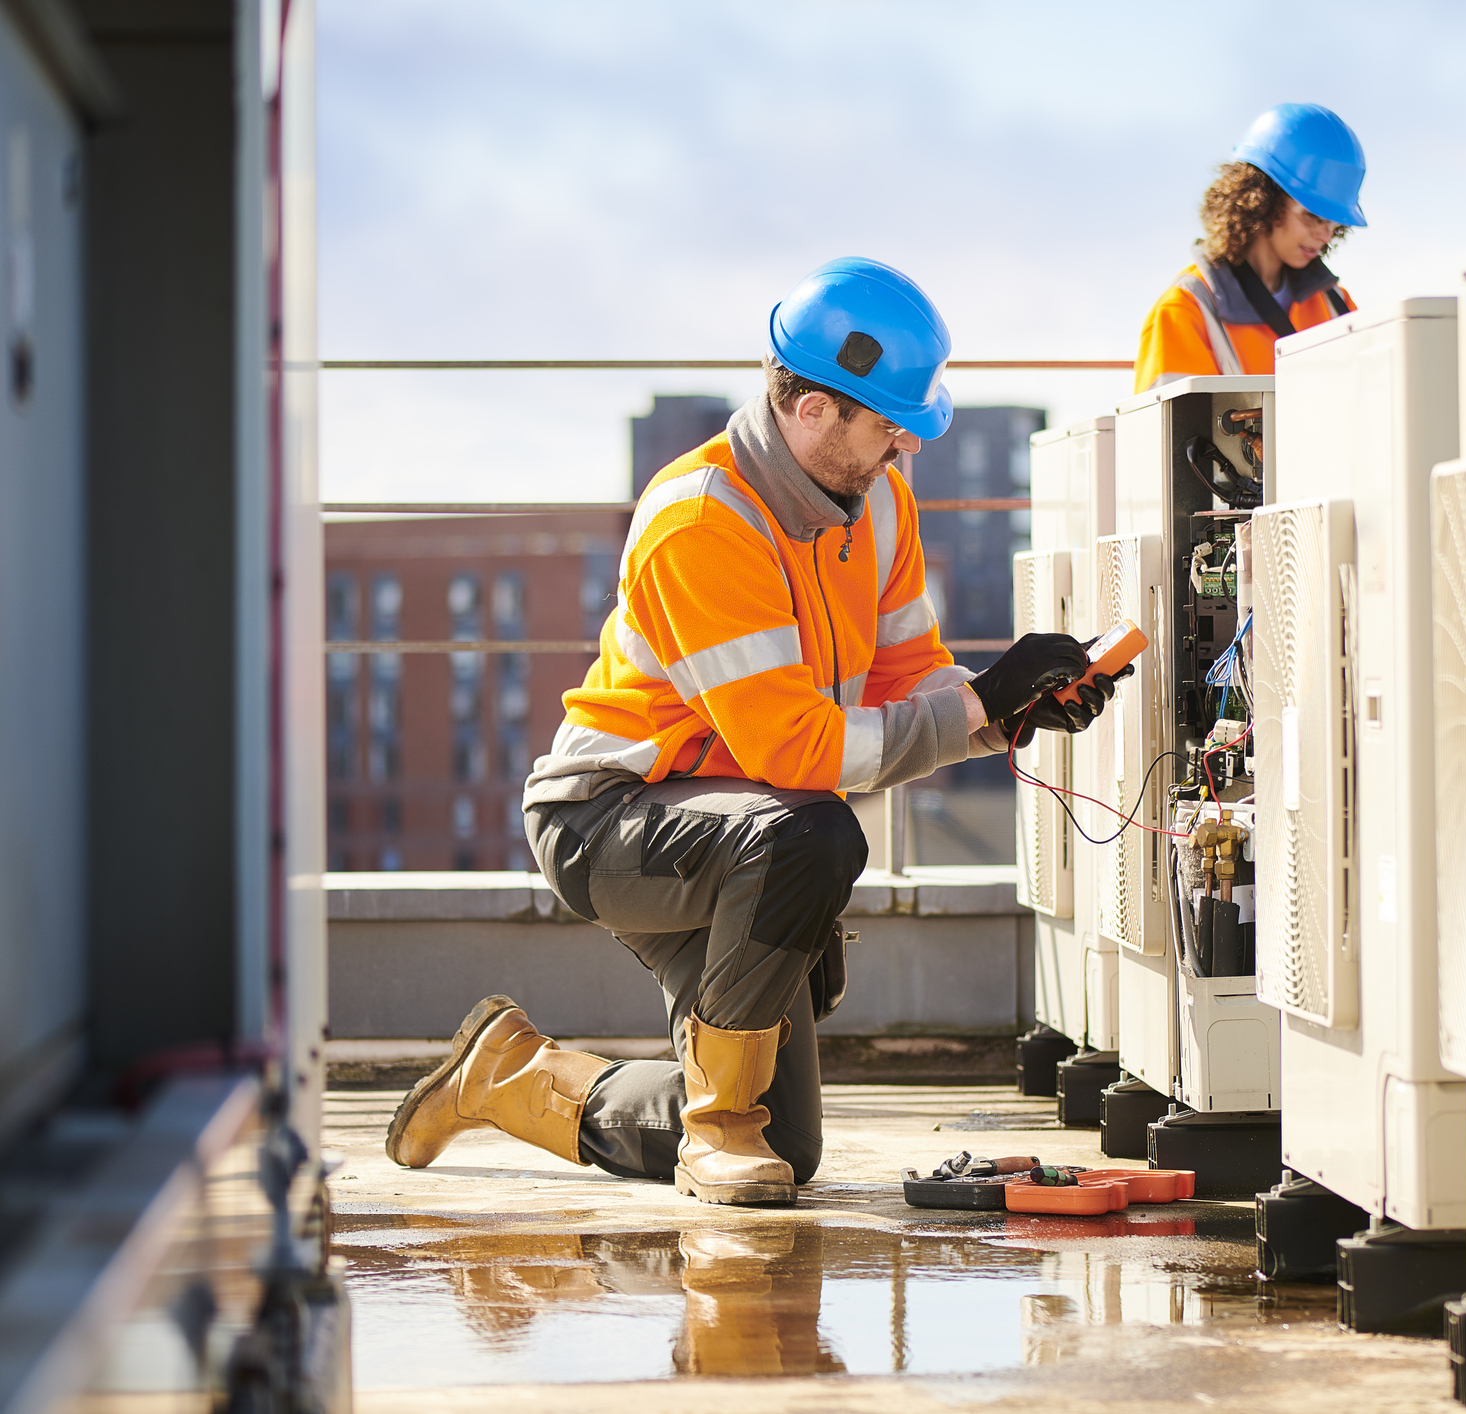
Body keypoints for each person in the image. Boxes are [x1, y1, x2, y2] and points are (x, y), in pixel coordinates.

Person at [382, 258, 1128, 1206]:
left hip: (744, 828)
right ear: (813, 409)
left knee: (792, 1148)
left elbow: (908, 682)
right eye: (887, 425)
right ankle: (715, 1127)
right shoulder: (701, 522)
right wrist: (978, 707)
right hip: (613, 821)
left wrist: (1006, 712)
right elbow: (796, 751)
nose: (902, 448)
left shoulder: (881, 506)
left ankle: (510, 1078)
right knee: (814, 833)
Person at [1134, 103, 1369, 392]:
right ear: (1261, 197)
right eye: (1313, 216)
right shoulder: (1184, 310)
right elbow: (1171, 434)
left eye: (1335, 224)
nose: (1325, 236)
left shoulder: (1336, 304)